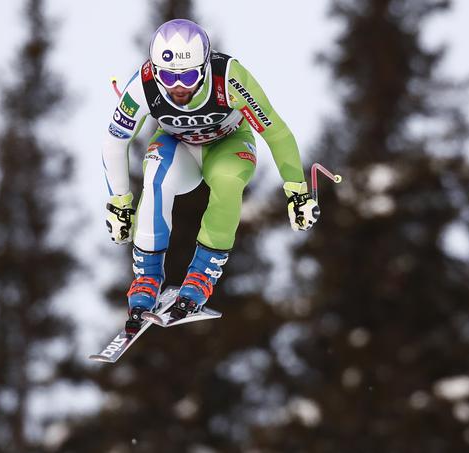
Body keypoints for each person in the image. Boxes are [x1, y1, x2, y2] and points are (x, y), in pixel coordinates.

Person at [102, 19, 319, 334]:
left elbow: (276, 132)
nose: (177, 87)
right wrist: (119, 202)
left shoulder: (229, 76)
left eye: (188, 76)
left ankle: (202, 275)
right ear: (154, 70)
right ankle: (146, 277)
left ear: (203, 69)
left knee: (228, 182)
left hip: (228, 144)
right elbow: (115, 140)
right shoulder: (143, 85)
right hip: (179, 146)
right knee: (155, 180)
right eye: (167, 77)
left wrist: (297, 191)